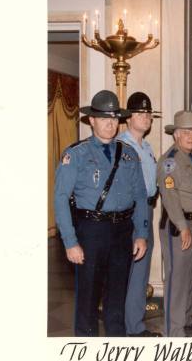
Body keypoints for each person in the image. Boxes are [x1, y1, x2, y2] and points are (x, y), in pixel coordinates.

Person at [53, 90, 148, 337]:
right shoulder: (76, 154)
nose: (110, 123)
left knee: (117, 297)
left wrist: (141, 233)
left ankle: (115, 348)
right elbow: (61, 199)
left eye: (115, 118)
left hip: (122, 231)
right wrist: (70, 242)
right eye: (104, 118)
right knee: (87, 299)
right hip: (91, 231)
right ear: (91, 120)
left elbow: (140, 196)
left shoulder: (129, 154)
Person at [158, 110, 192, 337]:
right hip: (179, 227)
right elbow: (170, 196)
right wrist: (183, 226)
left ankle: (187, 319)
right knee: (177, 279)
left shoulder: (191, 158)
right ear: (176, 135)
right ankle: (174, 331)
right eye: (186, 132)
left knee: (190, 275)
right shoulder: (170, 161)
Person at [118, 91, 162, 337]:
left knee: (141, 270)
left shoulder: (146, 147)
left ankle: (134, 324)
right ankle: (131, 328)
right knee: (133, 270)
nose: (147, 118)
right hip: (131, 212)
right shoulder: (122, 146)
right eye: (141, 113)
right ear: (129, 117)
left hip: (147, 208)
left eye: (149, 114)